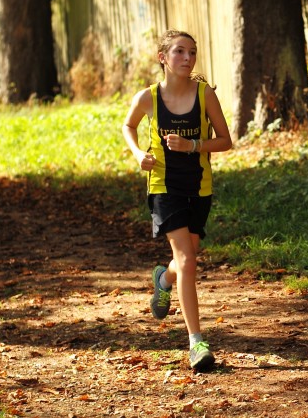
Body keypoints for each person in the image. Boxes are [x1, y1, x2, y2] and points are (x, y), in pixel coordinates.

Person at [122, 30, 233, 372]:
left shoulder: (205, 95)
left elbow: (225, 141)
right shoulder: (149, 97)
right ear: (163, 58)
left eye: (192, 53)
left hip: (199, 186)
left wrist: (194, 146)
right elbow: (128, 125)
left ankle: (163, 280)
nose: (188, 58)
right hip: (163, 187)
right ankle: (196, 342)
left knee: (188, 257)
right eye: (180, 52)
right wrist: (138, 152)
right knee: (187, 258)